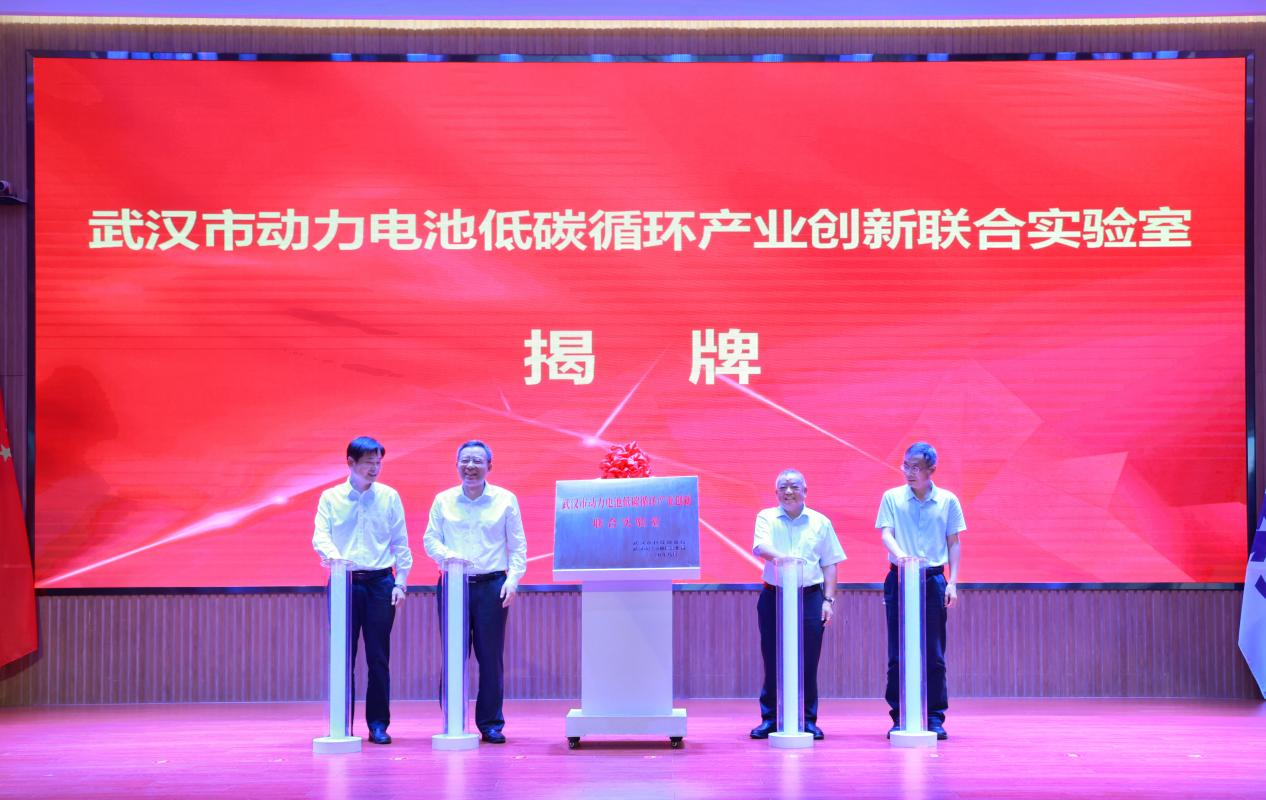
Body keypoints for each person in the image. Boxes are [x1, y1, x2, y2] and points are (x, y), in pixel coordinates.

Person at [423, 439, 527, 744]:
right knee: (453, 654)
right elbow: (431, 540)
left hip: (492, 585)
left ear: (489, 466)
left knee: (490, 657)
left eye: (477, 461)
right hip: (453, 584)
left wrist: (513, 580)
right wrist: (450, 558)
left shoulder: (505, 500)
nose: (470, 466)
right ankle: (453, 719)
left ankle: (490, 723)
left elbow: (517, 546)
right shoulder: (443, 500)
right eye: (465, 461)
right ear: (456, 465)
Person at [312, 436, 413, 745]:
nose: (375, 468)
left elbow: (401, 542)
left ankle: (378, 725)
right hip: (344, 581)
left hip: (381, 582)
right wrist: (337, 560)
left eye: (378, 462)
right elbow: (320, 537)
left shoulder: (389, 496)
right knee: (343, 656)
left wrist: (401, 582)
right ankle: (342, 723)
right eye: (369, 462)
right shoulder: (331, 497)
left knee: (378, 657)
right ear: (351, 463)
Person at [876, 441, 965, 740]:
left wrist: (953, 582)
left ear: (931, 470)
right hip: (900, 577)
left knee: (934, 652)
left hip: (933, 579)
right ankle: (900, 715)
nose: (909, 472)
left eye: (916, 467)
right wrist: (903, 557)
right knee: (897, 652)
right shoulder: (892, 497)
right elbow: (886, 533)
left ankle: (934, 716)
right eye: (906, 466)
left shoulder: (947, 500)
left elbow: (953, 542)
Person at [749, 468, 846, 741]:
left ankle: (807, 719)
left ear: (805, 491)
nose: (788, 492)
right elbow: (761, 546)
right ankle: (771, 718)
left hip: (810, 596)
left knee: (808, 659)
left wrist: (828, 600)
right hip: (775, 595)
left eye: (794, 487)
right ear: (776, 492)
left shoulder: (820, 522)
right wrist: (789, 560)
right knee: (772, 658)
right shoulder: (766, 517)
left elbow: (830, 564)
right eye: (783, 487)